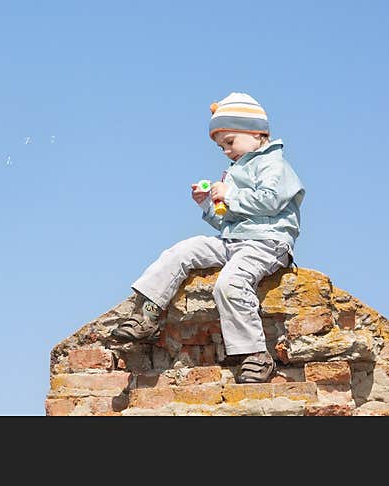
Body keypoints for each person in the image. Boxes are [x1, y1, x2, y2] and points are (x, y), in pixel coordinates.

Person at [110, 92, 305, 383]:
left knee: (231, 282)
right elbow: (227, 220)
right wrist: (207, 204)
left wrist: (231, 194)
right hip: (234, 239)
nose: (225, 150)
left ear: (257, 133)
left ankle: (255, 355)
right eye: (220, 146)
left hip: (267, 242)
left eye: (229, 141)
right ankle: (147, 314)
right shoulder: (235, 171)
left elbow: (271, 201)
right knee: (182, 250)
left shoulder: (274, 165)